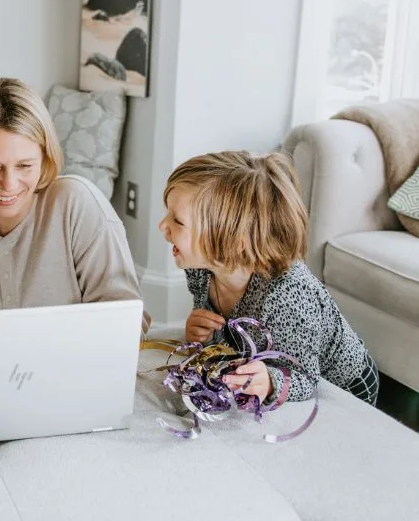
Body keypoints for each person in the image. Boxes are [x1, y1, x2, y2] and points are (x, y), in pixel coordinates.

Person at [158, 151, 379, 406]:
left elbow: (305, 378)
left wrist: (272, 379)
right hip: (266, 357)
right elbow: (233, 338)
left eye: (178, 221)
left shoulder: (287, 295)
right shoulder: (201, 268)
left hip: (344, 383)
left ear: (233, 243)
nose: (162, 226)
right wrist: (206, 334)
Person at [0, 77, 144, 320]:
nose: (9, 184)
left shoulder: (76, 205)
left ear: (44, 159)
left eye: (24, 165)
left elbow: (126, 318)